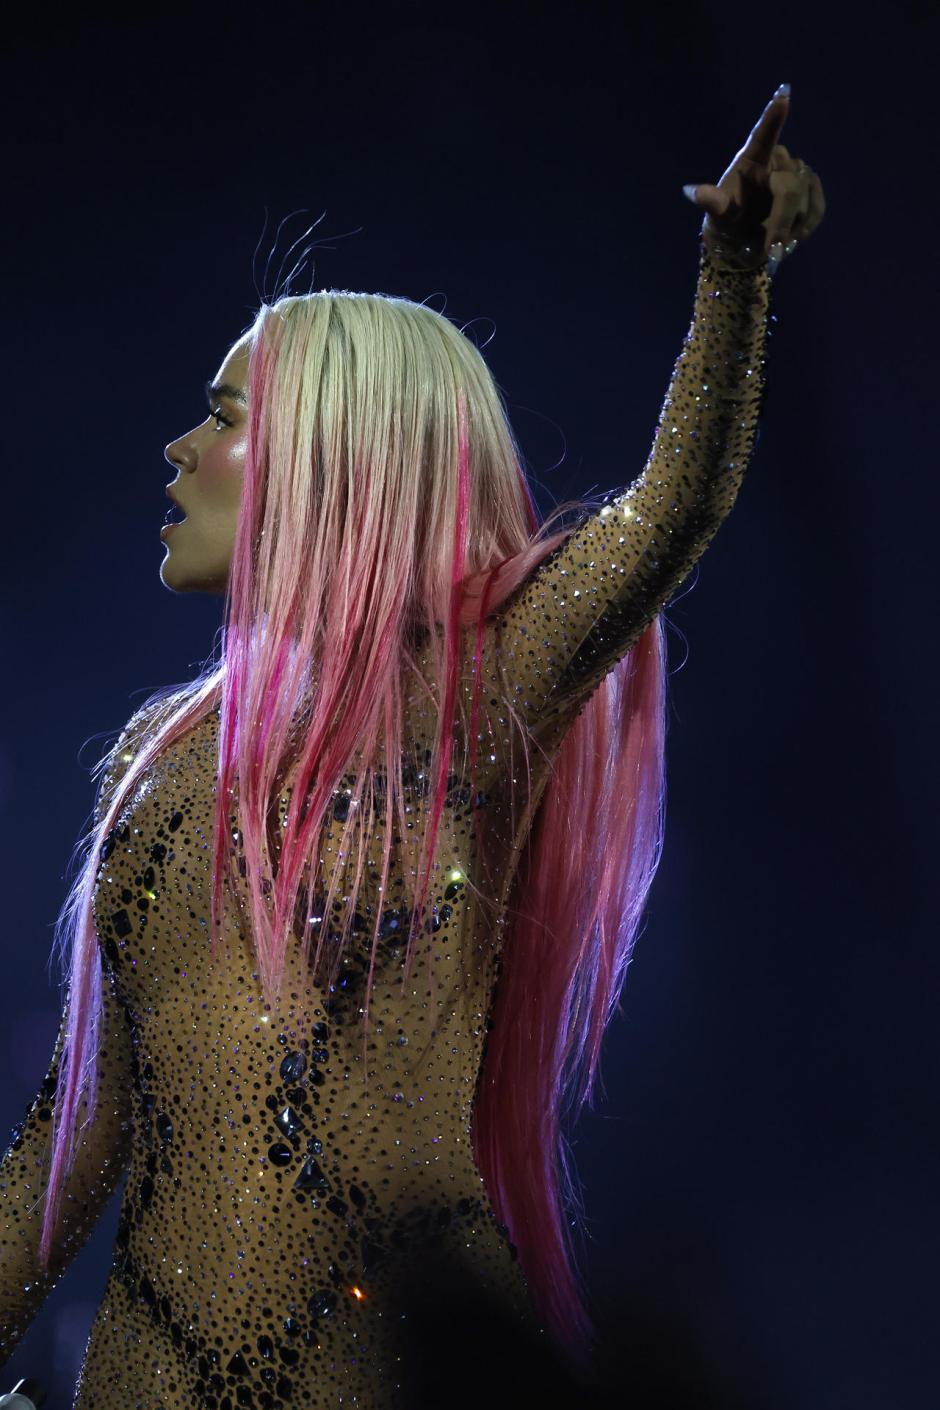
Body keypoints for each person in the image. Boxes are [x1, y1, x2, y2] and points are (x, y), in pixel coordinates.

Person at [0, 85, 823, 1409]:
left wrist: (735, 273)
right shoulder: (152, 758)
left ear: (337, 451)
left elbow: (668, 512)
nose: (179, 451)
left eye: (221, 416)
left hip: (406, 1373)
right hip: (148, 1377)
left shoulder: (481, 689)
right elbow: (64, 1148)